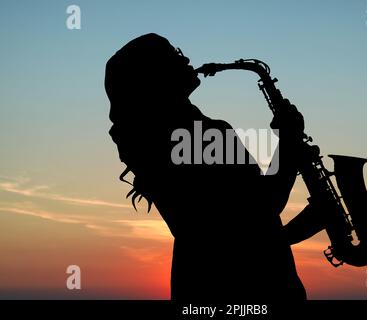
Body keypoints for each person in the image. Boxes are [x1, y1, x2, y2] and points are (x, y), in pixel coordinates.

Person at [104, 33, 325, 302]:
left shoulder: (155, 141)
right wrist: (288, 144)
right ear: (154, 77)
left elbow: (230, 238)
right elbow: (262, 205)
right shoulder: (198, 136)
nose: (185, 58)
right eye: (173, 55)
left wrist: (303, 225)